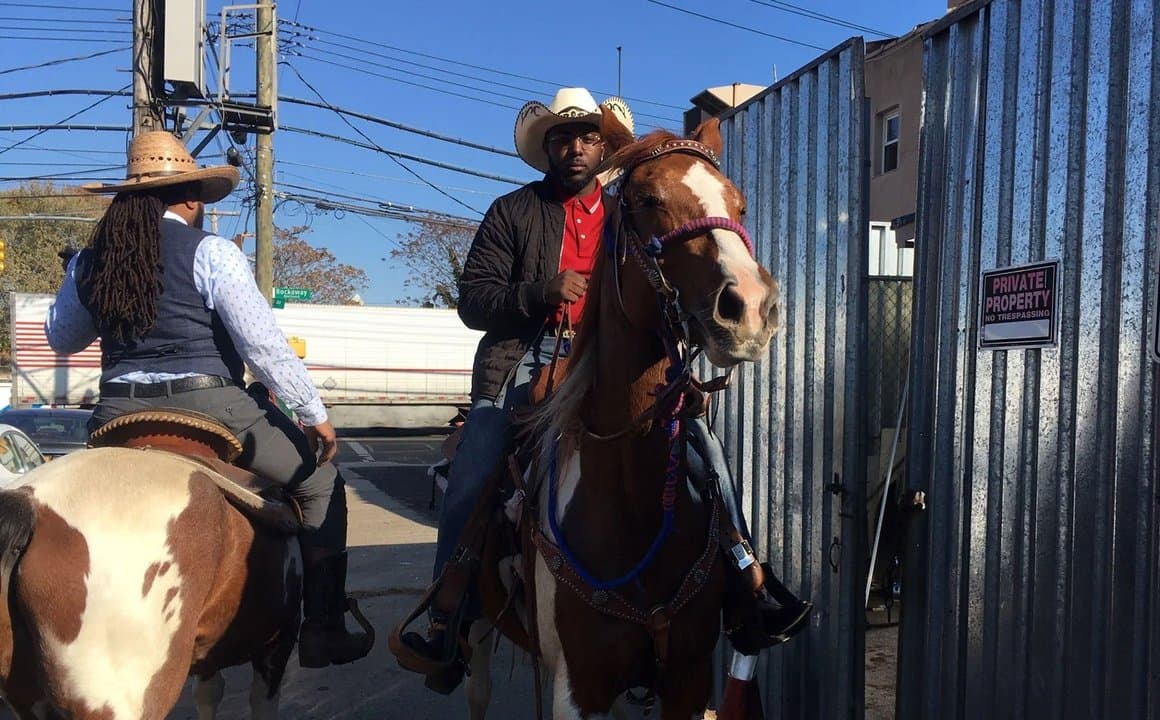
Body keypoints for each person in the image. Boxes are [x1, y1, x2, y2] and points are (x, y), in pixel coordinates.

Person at [425, 88, 809, 662]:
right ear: (548, 148)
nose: (576, 147)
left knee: (706, 452)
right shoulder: (513, 212)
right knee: (475, 461)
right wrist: (539, 291)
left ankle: (745, 574)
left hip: (614, 357)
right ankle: (444, 614)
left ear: (604, 148)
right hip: (526, 358)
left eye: (588, 137)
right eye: (563, 138)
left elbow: (668, 287)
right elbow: (474, 301)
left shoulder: (631, 207)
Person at [45, 130, 372, 668]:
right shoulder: (211, 251)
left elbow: (62, 339)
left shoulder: (91, 262)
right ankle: (322, 626)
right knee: (319, 480)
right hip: (210, 404)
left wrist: (74, 275)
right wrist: (314, 413)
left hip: (116, 413)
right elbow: (261, 345)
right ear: (192, 197)